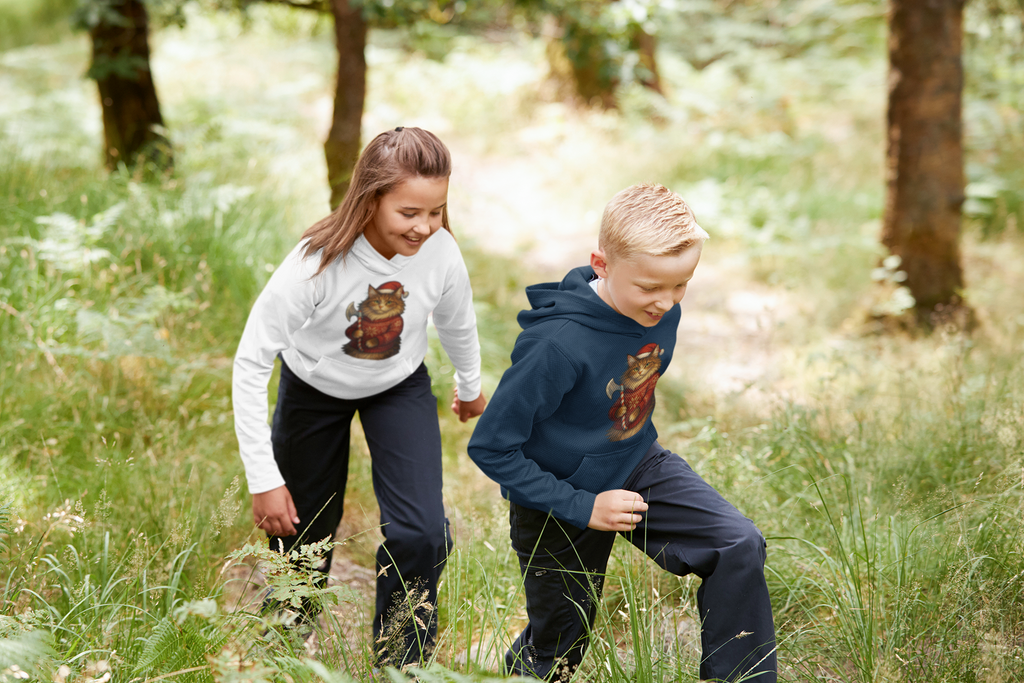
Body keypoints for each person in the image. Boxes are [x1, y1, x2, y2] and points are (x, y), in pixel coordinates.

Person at [467, 183, 776, 682]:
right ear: (602, 264)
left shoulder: (661, 308)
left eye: (681, 285)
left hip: (634, 464)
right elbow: (491, 448)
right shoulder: (556, 346)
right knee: (559, 644)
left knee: (737, 544)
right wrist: (584, 507)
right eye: (650, 288)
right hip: (557, 497)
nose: (666, 302)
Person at [232, 127, 486, 667]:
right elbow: (252, 360)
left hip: (397, 387)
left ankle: (402, 663)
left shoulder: (440, 252)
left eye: (436, 211)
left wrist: (470, 386)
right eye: (408, 212)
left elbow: (457, 322)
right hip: (313, 391)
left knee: (422, 532)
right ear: (371, 199)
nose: (424, 227)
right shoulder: (316, 262)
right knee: (301, 533)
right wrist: (264, 478)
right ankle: (283, 653)